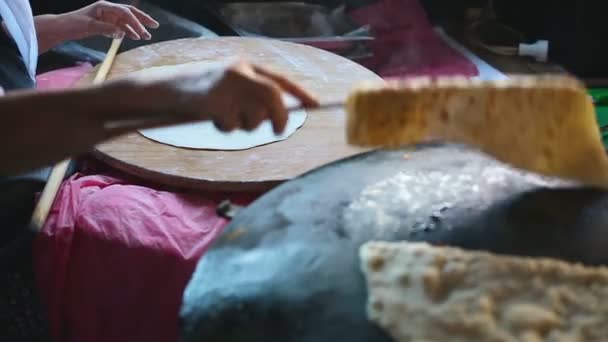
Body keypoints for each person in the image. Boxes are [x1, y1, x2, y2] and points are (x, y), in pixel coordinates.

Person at [0, 1, 318, 340]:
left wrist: (69, 23)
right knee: (209, 243)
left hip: (44, 137)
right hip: (20, 197)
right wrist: (163, 96)